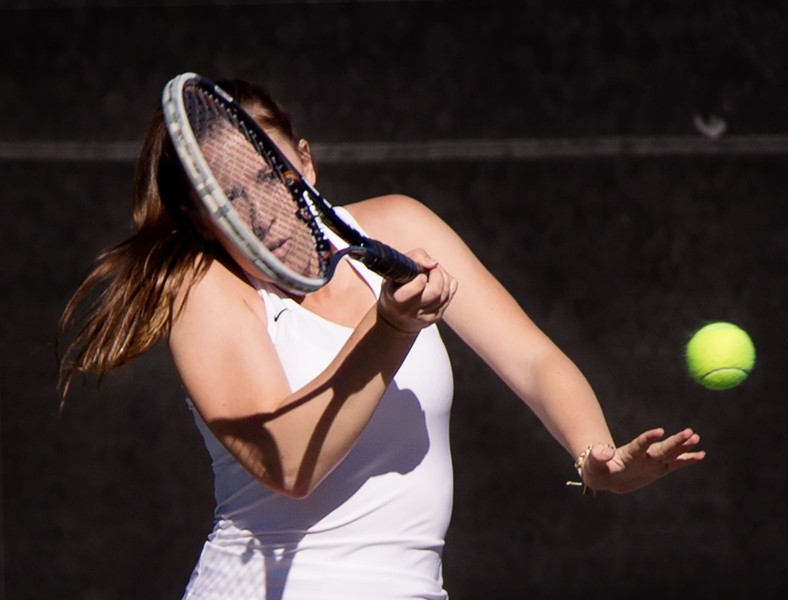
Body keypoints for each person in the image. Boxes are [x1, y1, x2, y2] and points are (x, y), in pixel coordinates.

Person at [58, 79, 705, 600]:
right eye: (230, 195)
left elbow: (532, 361)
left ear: (306, 161)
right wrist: (389, 328)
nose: (262, 212)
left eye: (271, 176)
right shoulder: (206, 293)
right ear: (202, 216)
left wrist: (599, 459)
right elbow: (289, 465)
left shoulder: (398, 221)